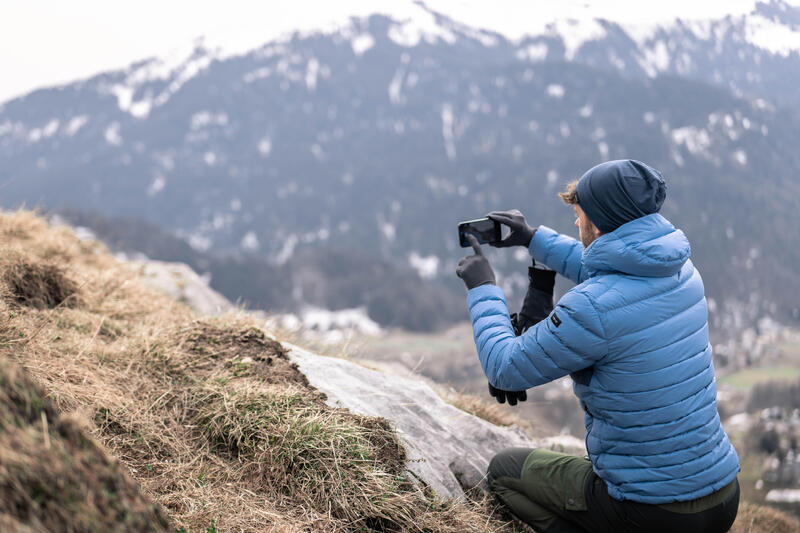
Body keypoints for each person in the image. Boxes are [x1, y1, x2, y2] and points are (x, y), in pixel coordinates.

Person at [455, 160, 740, 533]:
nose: (576, 223)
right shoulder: (682, 272)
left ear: (601, 222)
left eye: (579, 215)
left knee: (504, 472)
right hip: (723, 496)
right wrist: (532, 237)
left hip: (651, 514)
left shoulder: (592, 308)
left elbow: (504, 368)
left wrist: (483, 289)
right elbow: (609, 270)